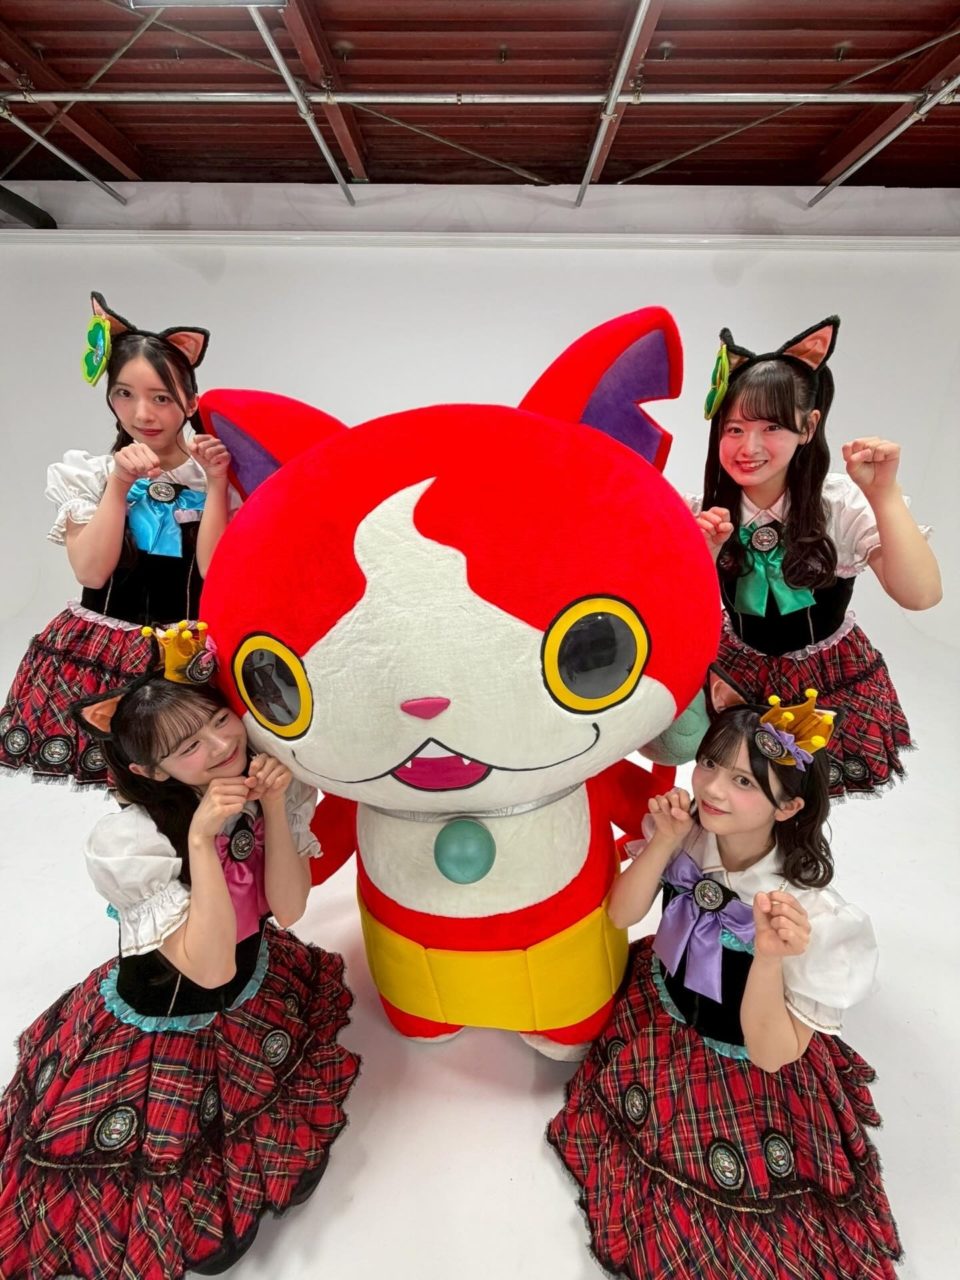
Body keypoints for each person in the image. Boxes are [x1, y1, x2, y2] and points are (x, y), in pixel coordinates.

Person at [0, 629, 359, 1279]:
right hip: (169, 1014)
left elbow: (289, 909)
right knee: (158, 1170)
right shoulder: (132, 842)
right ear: (151, 771)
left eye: (219, 720)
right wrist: (200, 839)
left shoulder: (259, 783)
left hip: (245, 985)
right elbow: (208, 966)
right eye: (188, 746)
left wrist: (273, 805)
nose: (220, 746)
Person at [547, 693, 901, 1279]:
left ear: (788, 807)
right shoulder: (689, 833)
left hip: (744, 1051)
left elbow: (773, 1054)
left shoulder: (809, 914)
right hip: (666, 1005)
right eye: (709, 763)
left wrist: (768, 958)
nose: (712, 788)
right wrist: (663, 841)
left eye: (743, 781)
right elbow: (620, 914)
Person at [690, 317, 940, 796]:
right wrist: (703, 558)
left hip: (822, 681)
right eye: (735, 428)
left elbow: (921, 594)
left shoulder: (839, 506)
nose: (749, 447)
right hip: (736, 673)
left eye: (772, 426)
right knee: (737, 793)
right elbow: (669, 613)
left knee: (797, 802)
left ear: (808, 427)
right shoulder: (703, 513)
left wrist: (884, 495)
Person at [0, 291, 236, 786]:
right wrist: (119, 484)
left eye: (161, 398)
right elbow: (91, 572)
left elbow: (217, 574)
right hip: (108, 654)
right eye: (125, 394)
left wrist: (217, 485)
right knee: (130, 780)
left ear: (190, 402)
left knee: (196, 777)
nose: (142, 413)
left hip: (188, 656)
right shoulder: (88, 475)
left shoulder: (214, 475)